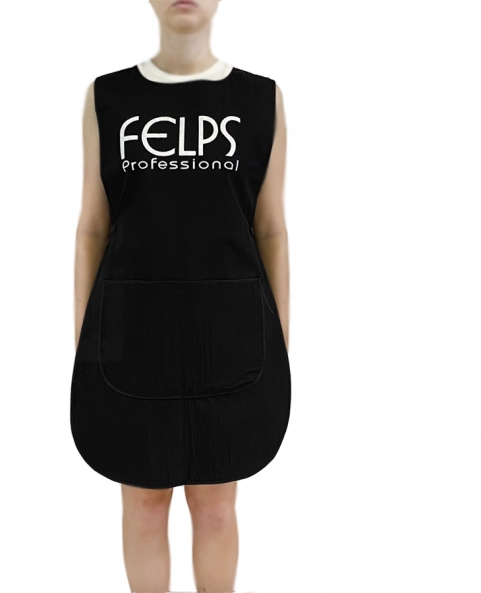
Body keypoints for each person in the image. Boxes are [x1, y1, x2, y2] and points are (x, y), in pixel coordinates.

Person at [71, 1, 291, 591]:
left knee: (216, 506)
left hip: (231, 334)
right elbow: (93, 226)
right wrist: (85, 340)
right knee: (144, 506)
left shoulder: (259, 98)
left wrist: (281, 342)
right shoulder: (108, 98)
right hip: (132, 336)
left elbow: (270, 227)